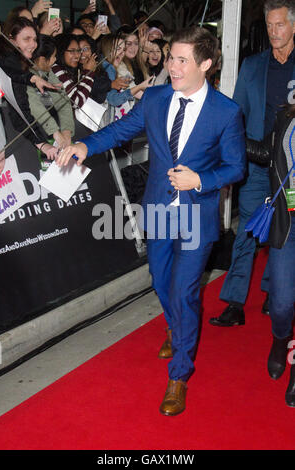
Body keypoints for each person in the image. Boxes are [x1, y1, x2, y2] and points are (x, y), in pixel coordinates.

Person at [56, 26, 246, 416]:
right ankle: (175, 328)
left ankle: (179, 375)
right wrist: (82, 145)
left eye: (181, 60)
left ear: (206, 65)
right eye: (171, 58)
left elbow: (236, 168)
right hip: (158, 211)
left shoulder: (226, 112)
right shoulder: (157, 98)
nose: (172, 68)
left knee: (184, 292)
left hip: (197, 217)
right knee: (160, 281)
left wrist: (201, 179)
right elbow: (120, 130)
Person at [210, 0, 295, 327]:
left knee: (285, 230)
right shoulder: (253, 65)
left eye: (280, 25)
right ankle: (234, 302)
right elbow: (236, 113)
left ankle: (276, 291)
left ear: (292, 26)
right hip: (258, 163)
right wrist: (231, 158)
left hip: (291, 170)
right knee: (246, 229)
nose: (274, 32)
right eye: (270, 26)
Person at [246, 104, 295, 407]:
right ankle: (280, 339)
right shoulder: (285, 116)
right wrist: (230, 134)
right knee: (280, 303)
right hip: (288, 223)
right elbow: (266, 153)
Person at [0, 17, 60, 160]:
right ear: (11, 40)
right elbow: (19, 108)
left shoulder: (20, 66)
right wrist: (41, 143)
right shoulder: (7, 64)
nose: (33, 44)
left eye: (35, 39)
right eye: (27, 39)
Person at [27, 35, 75, 150]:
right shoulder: (26, 75)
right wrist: (55, 132)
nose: (55, 60)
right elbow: (34, 106)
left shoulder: (49, 73)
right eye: (53, 57)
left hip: (52, 129)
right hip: (32, 133)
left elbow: (63, 101)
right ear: (42, 59)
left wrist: (67, 131)